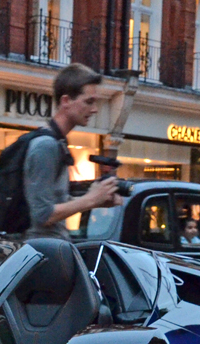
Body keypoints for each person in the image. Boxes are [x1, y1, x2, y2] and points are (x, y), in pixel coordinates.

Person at [23, 64, 119, 239]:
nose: (95, 109)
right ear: (66, 101)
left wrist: (97, 200)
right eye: (89, 101)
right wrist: (90, 199)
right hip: (42, 253)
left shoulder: (57, 142)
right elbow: (43, 214)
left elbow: (56, 205)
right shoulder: (46, 146)